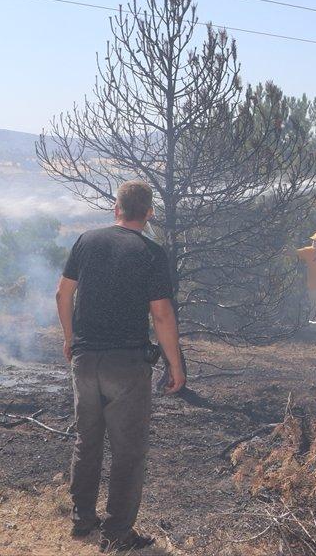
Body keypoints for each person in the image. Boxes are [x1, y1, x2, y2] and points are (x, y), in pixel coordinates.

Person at [55, 180, 186, 553]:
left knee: (87, 440)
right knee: (128, 451)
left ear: (116, 208)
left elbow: (63, 293)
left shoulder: (87, 240)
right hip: (126, 365)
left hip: (85, 360)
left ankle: (82, 522)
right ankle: (117, 534)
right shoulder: (151, 253)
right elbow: (161, 314)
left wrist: (69, 338)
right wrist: (175, 367)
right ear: (148, 214)